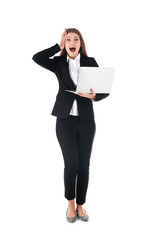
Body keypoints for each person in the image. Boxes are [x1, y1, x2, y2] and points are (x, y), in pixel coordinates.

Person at [32, 28, 109, 223]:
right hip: (64, 120)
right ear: (65, 44)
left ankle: (81, 206)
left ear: (80, 44)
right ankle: (69, 205)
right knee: (71, 165)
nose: (72, 42)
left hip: (86, 121)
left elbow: (104, 90)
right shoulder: (58, 62)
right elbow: (37, 57)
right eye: (68, 40)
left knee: (84, 166)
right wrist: (57, 46)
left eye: (76, 39)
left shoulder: (90, 62)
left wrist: (94, 96)